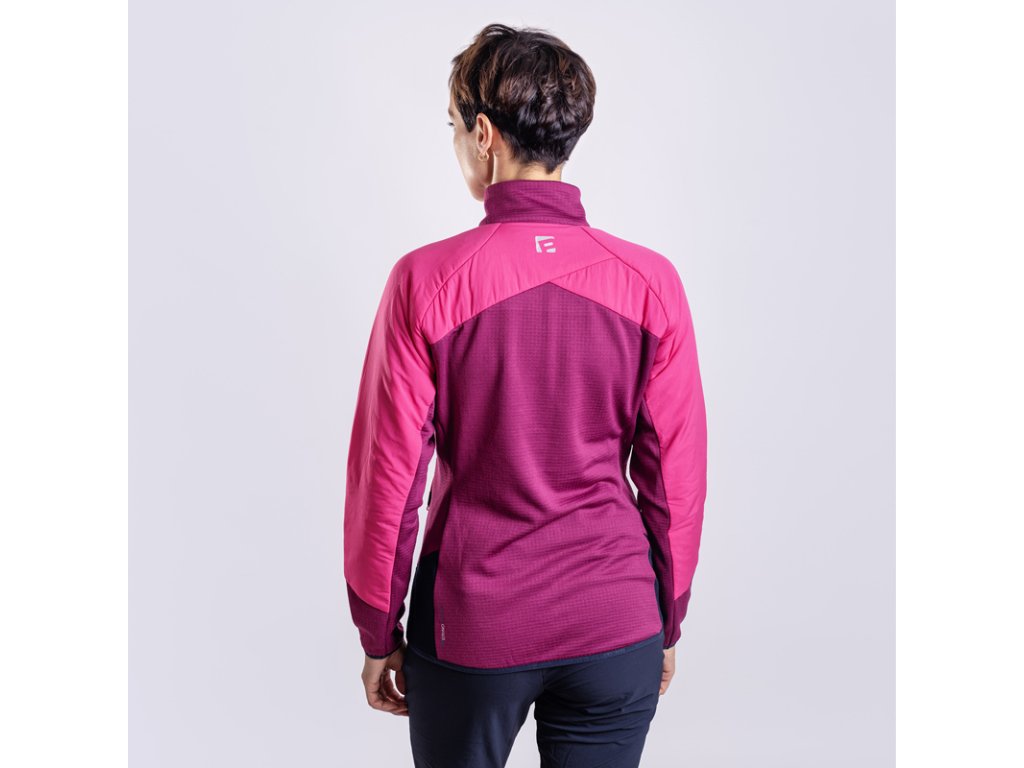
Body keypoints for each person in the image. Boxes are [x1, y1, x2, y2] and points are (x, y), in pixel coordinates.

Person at [343, 22, 708, 768]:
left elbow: (390, 480)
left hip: (472, 628)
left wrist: (378, 631)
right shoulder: (651, 282)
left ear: (483, 134)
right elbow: (676, 477)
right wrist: (664, 619)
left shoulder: (425, 281)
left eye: (453, 127)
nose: (455, 142)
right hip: (616, 621)